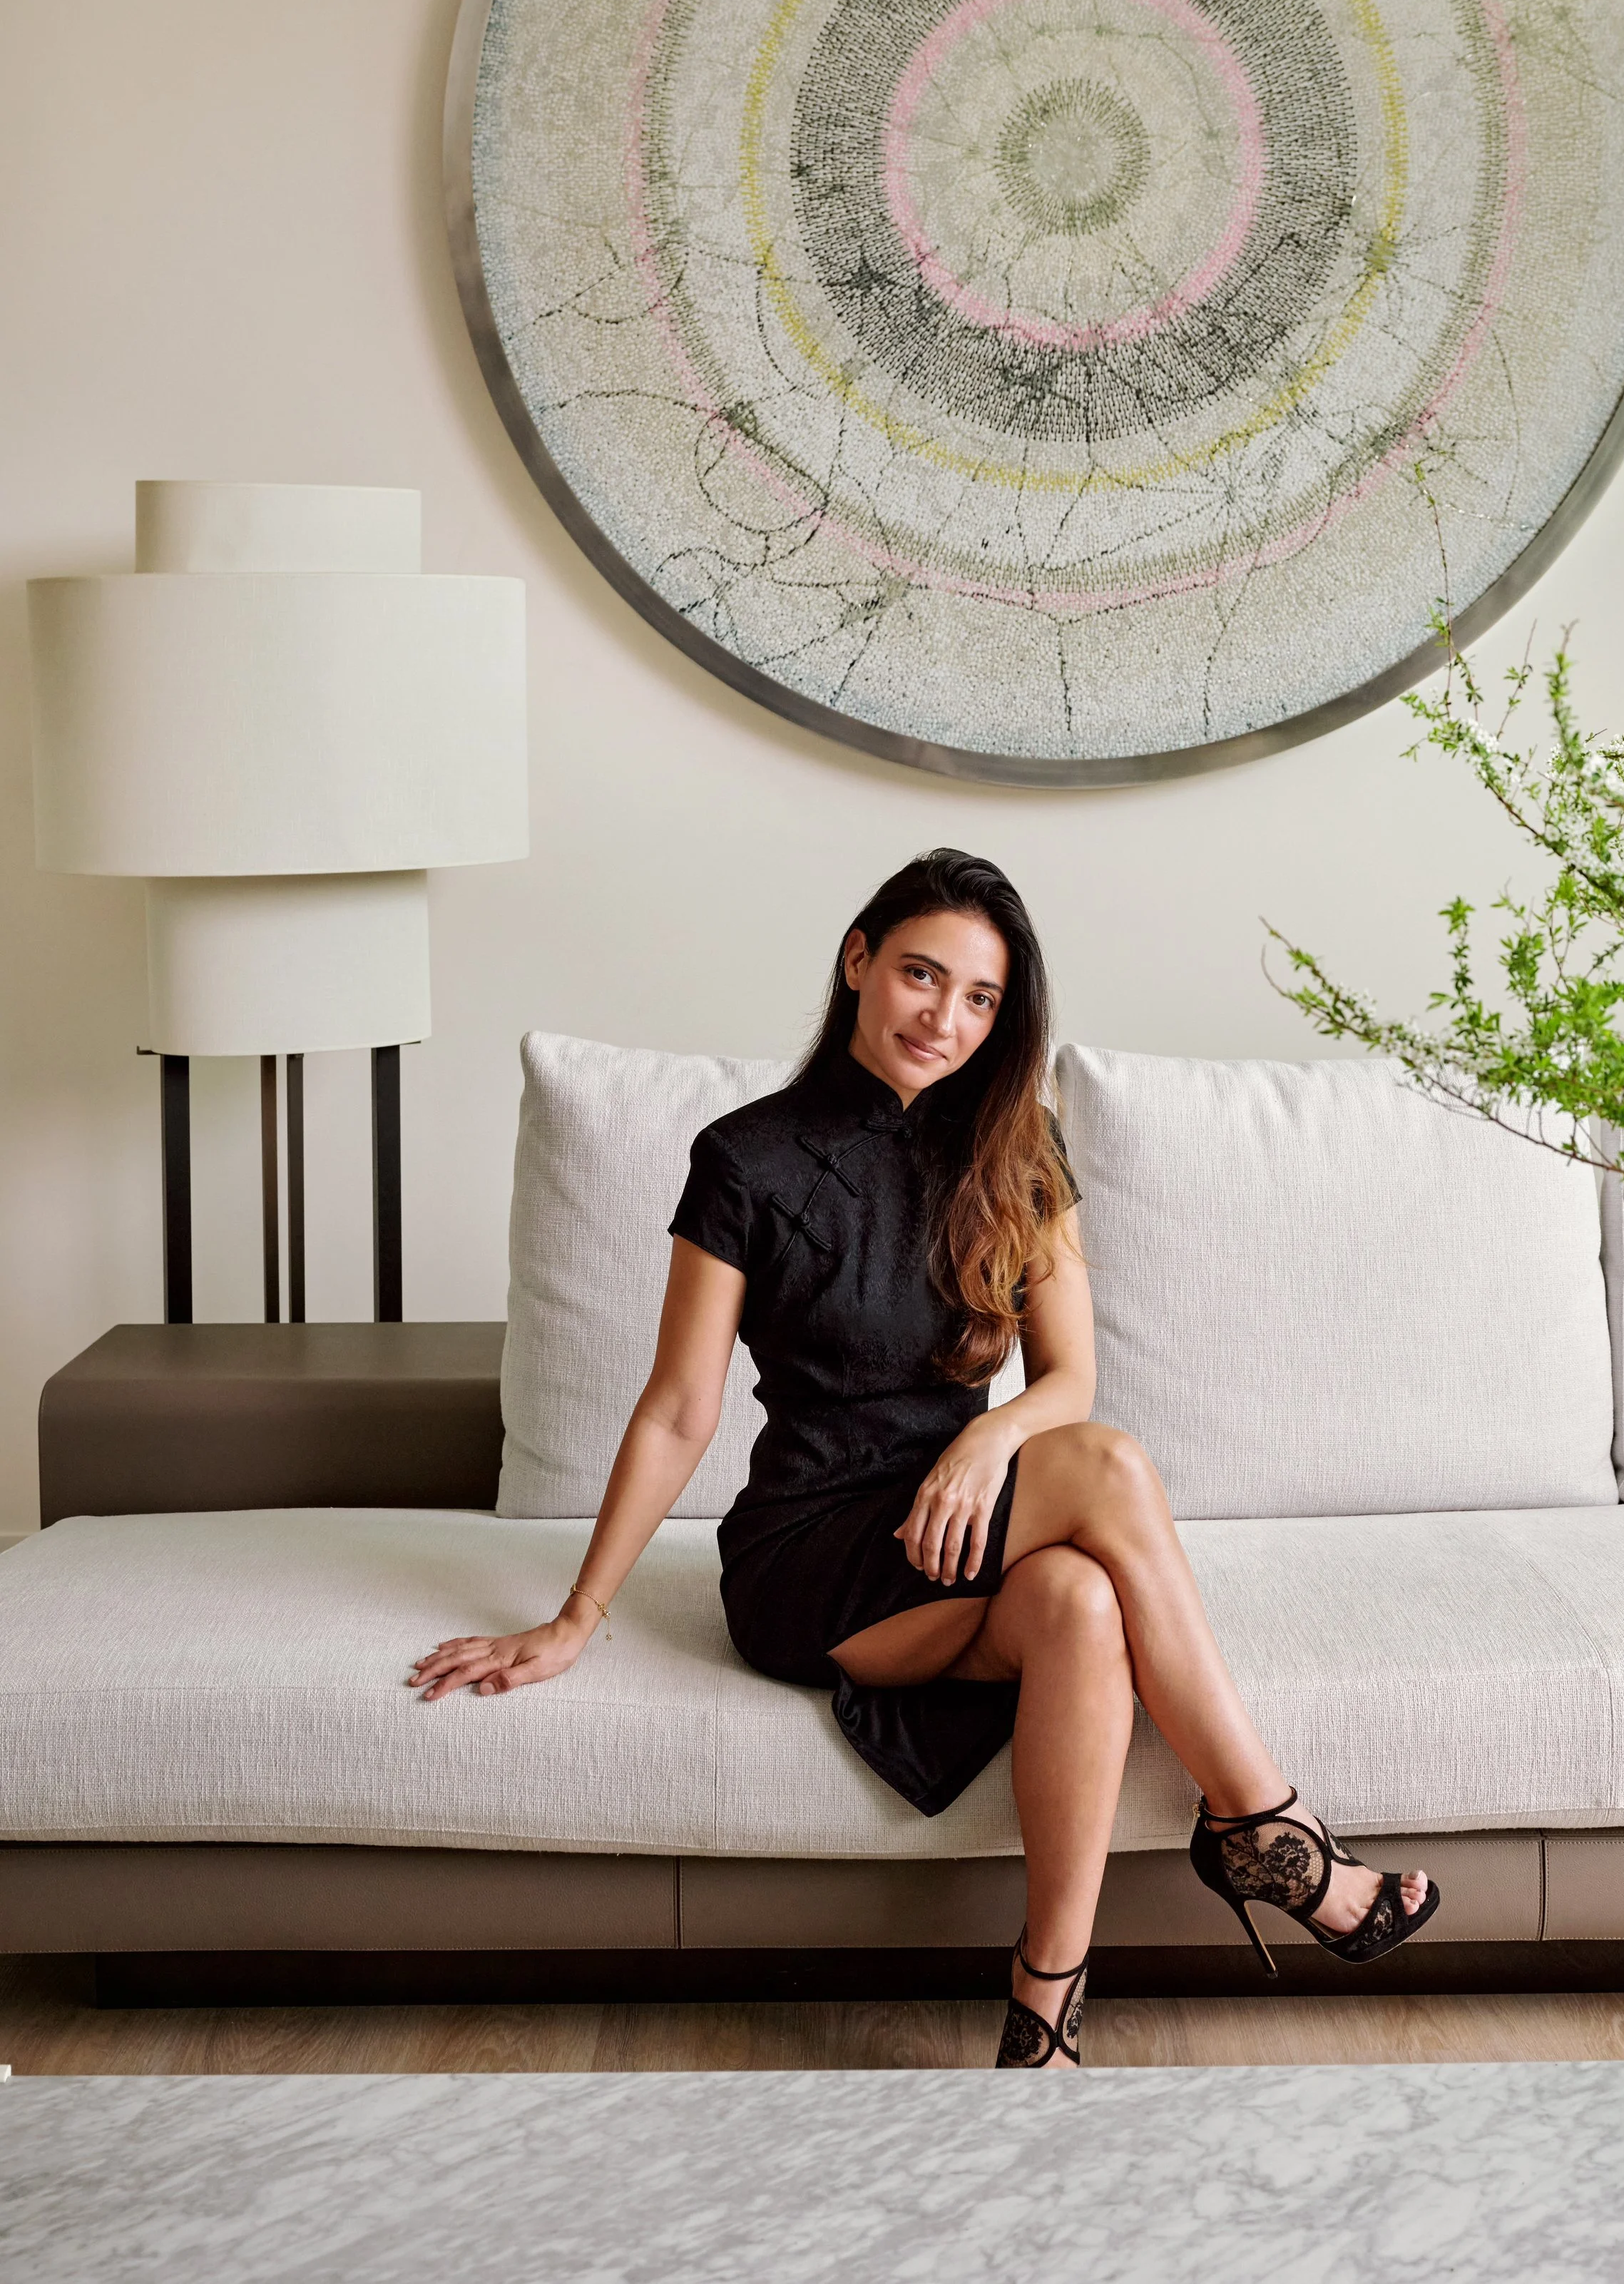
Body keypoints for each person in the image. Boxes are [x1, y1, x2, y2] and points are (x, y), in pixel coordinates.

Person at [411, 850, 1436, 2065]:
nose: (943, 1018)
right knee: (1106, 1470)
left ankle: (1043, 2009)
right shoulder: (746, 1160)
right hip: (816, 1553)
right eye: (919, 975)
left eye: (980, 998)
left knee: (1077, 1596)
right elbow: (681, 1408)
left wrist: (990, 1436)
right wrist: (576, 1615)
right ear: (858, 962)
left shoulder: (1019, 1146)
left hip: (959, 1520)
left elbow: (1067, 1380)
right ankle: (1266, 1827)